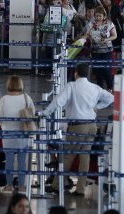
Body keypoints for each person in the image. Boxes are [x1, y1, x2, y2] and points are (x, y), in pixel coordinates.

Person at [41, 63, 113, 195]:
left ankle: (57, 186)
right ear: (88, 74)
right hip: (92, 126)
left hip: (77, 126)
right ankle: (80, 189)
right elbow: (111, 98)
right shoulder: (95, 88)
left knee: (68, 156)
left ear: (76, 73)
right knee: (84, 157)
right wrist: (98, 107)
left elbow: (58, 102)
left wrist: (45, 113)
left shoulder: (71, 86)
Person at [0, 75, 35, 193]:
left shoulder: (3, 99)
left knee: (9, 161)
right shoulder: (26, 98)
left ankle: (9, 185)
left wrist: (4, 125)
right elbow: (32, 113)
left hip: (8, 133)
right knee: (22, 161)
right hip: (23, 132)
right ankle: (22, 186)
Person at [82, 6, 117, 90]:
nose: (97, 18)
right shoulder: (91, 24)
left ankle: (110, 86)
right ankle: (100, 90)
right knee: (98, 71)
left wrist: (107, 39)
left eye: (99, 16)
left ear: (104, 16)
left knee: (106, 69)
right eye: (96, 16)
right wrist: (83, 39)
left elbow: (114, 35)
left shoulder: (109, 23)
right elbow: (87, 34)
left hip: (107, 50)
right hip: (95, 50)